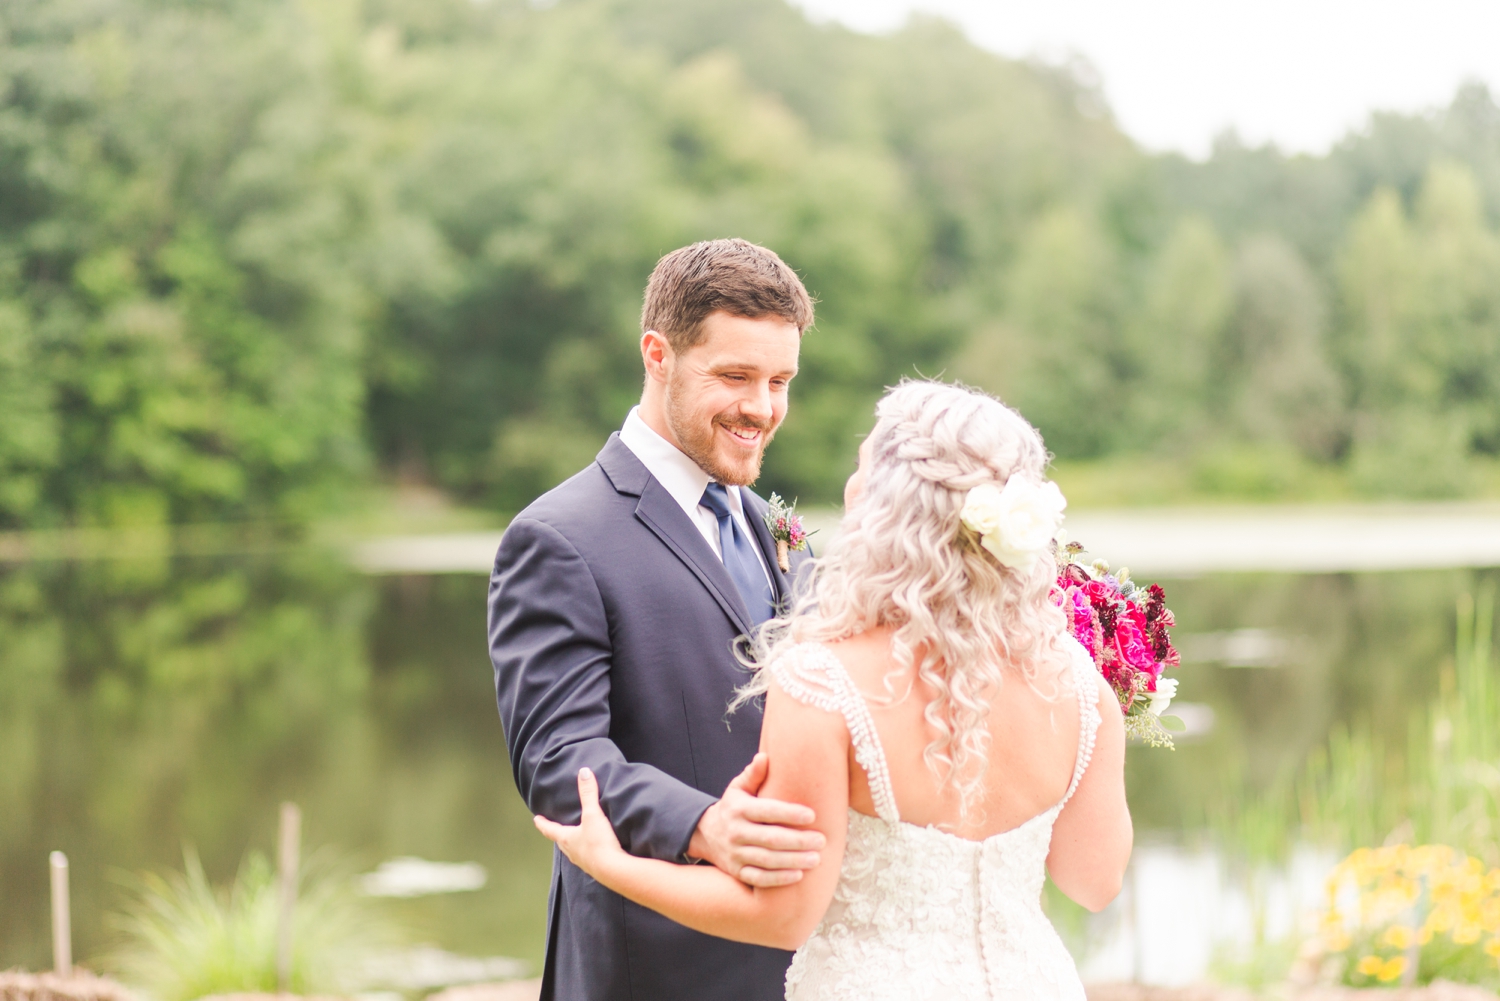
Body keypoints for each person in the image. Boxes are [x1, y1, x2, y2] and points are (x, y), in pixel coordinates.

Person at [534, 380, 1134, 1000]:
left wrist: (614, 866)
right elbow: (1095, 881)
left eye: (863, 465)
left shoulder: (823, 682)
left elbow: (783, 915)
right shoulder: (1080, 685)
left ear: (887, 510)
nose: (851, 485)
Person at [488, 238, 828, 1001]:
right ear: (658, 354)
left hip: (795, 960)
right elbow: (557, 760)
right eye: (736, 376)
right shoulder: (558, 537)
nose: (763, 408)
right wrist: (706, 826)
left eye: (780, 381)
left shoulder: (771, 523)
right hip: (648, 966)